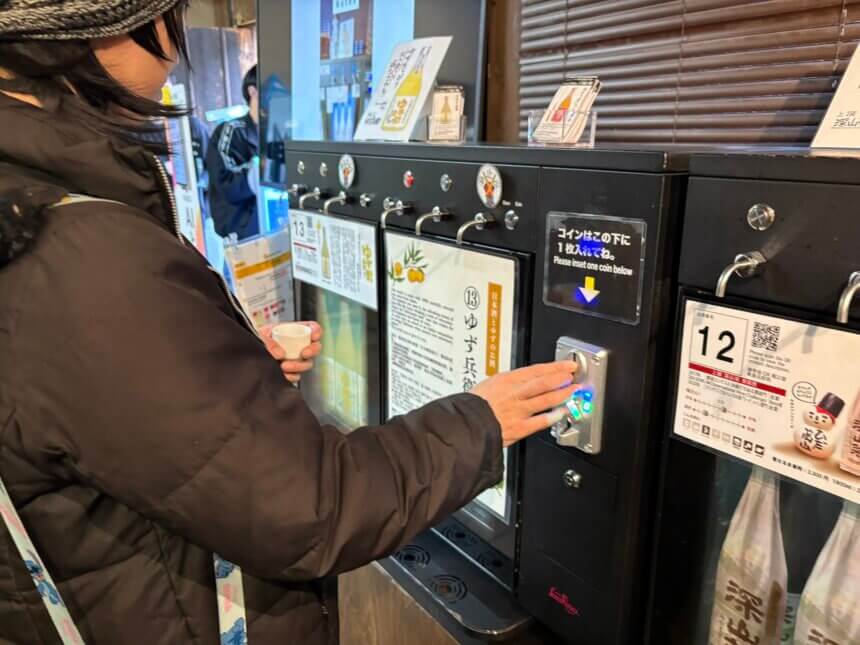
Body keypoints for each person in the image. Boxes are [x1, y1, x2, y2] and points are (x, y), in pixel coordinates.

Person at [0, 3, 577, 644]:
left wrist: (214, 381)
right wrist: (481, 422)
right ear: (91, 24)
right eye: (169, 16)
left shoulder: (29, 207)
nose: (173, 47)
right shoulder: (82, 253)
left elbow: (87, 412)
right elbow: (309, 510)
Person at [207, 64, 260, 240]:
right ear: (252, 91)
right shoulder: (231, 131)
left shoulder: (277, 133)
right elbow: (226, 183)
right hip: (241, 237)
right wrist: (264, 167)